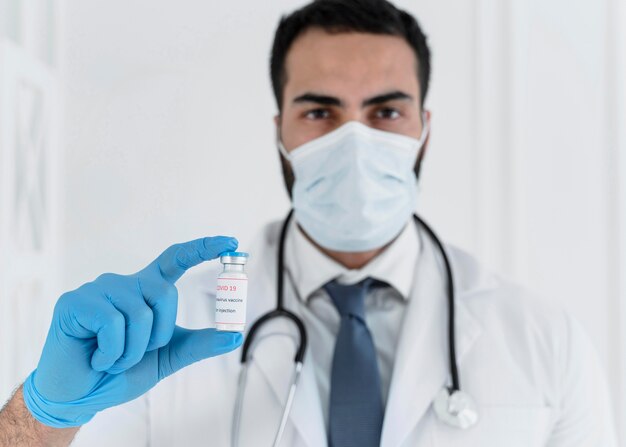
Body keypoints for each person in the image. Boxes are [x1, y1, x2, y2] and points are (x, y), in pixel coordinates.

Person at [0, 0, 617, 446]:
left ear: (424, 130)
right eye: (320, 110)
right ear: (281, 133)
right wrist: (45, 418)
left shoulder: (546, 341)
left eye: (386, 111)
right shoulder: (169, 326)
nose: (354, 140)